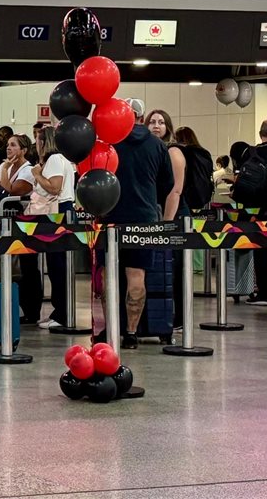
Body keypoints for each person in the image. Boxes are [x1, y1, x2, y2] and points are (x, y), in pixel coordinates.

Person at [99, 98, 171, 349]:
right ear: (142, 117)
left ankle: (112, 329)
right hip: (144, 217)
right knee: (136, 276)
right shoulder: (157, 145)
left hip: (110, 216)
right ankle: (130, 333)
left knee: (109, 275)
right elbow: (167, 184)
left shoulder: (110, 141)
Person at [29, 126, 77, 326]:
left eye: (37, 140)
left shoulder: (55, 159)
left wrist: (37, 174)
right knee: (56, 264)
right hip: (57, 212)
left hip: (57, 213)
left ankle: (62, 313)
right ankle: (60, 311)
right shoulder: (58, 159)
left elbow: (55, 187)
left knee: (58, 264)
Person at [240, 120, 267, 306]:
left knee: (260, 249)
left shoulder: (250, 153)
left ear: (260, 133)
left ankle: (263, 292)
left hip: (256, 210)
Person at [0, 134, 40, 323]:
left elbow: (10, 191)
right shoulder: (4, 166)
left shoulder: (28, 170)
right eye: (7, 145)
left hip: (26, 223)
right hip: (7, 223)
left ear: (23, 150)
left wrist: (5, 169)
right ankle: (19, 306)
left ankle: (32, 310)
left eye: (13, 145)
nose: (8, 148)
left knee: (28, 265)